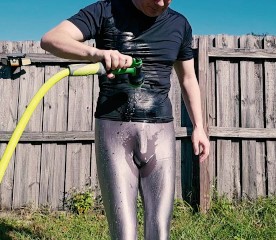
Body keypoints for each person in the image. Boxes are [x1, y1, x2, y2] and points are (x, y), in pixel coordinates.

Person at [41, 0, 210, 239]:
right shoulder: (105, 11)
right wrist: (97, 54)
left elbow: (188, 79)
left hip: (160, 130)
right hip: (114, 130)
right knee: (124, 231)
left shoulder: (180, 24)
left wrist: (199, 127)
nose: (160, 3)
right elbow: (51, 39)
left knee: (160, 229)